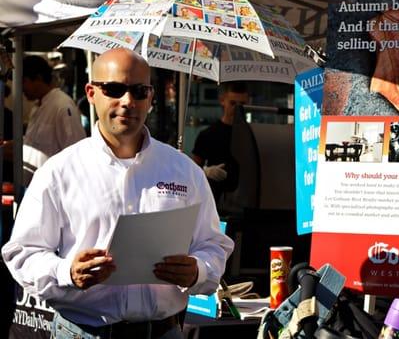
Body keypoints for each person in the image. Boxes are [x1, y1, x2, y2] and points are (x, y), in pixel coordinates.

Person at [1, 48, 234, 339]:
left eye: (139, 91)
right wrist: (66, 272)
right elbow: (22, 253)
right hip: (82, 331)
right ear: (91, 92)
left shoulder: (184, 171)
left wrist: (197, 270)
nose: (127, 102)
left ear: (151, 97)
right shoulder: (59, 172)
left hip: (164, 331)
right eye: (114, 89)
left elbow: (213, 244)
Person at [1, 55, 86, 185]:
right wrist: (14, 145)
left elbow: (76, 153)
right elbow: (37, 143)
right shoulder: (37, 106)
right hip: (32, 187)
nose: (21, 88)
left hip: (52, 190)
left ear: (39, 78)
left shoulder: (62, 106)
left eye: (23, 81)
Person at [192, 82, 249, 207]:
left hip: (246, 202)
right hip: (215, 201)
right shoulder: (208, 135)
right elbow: (193, 170)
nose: (237, 109)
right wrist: (206, 172)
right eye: (233, 103)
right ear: (222, 101)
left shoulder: (252, 134)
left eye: (242, 105)